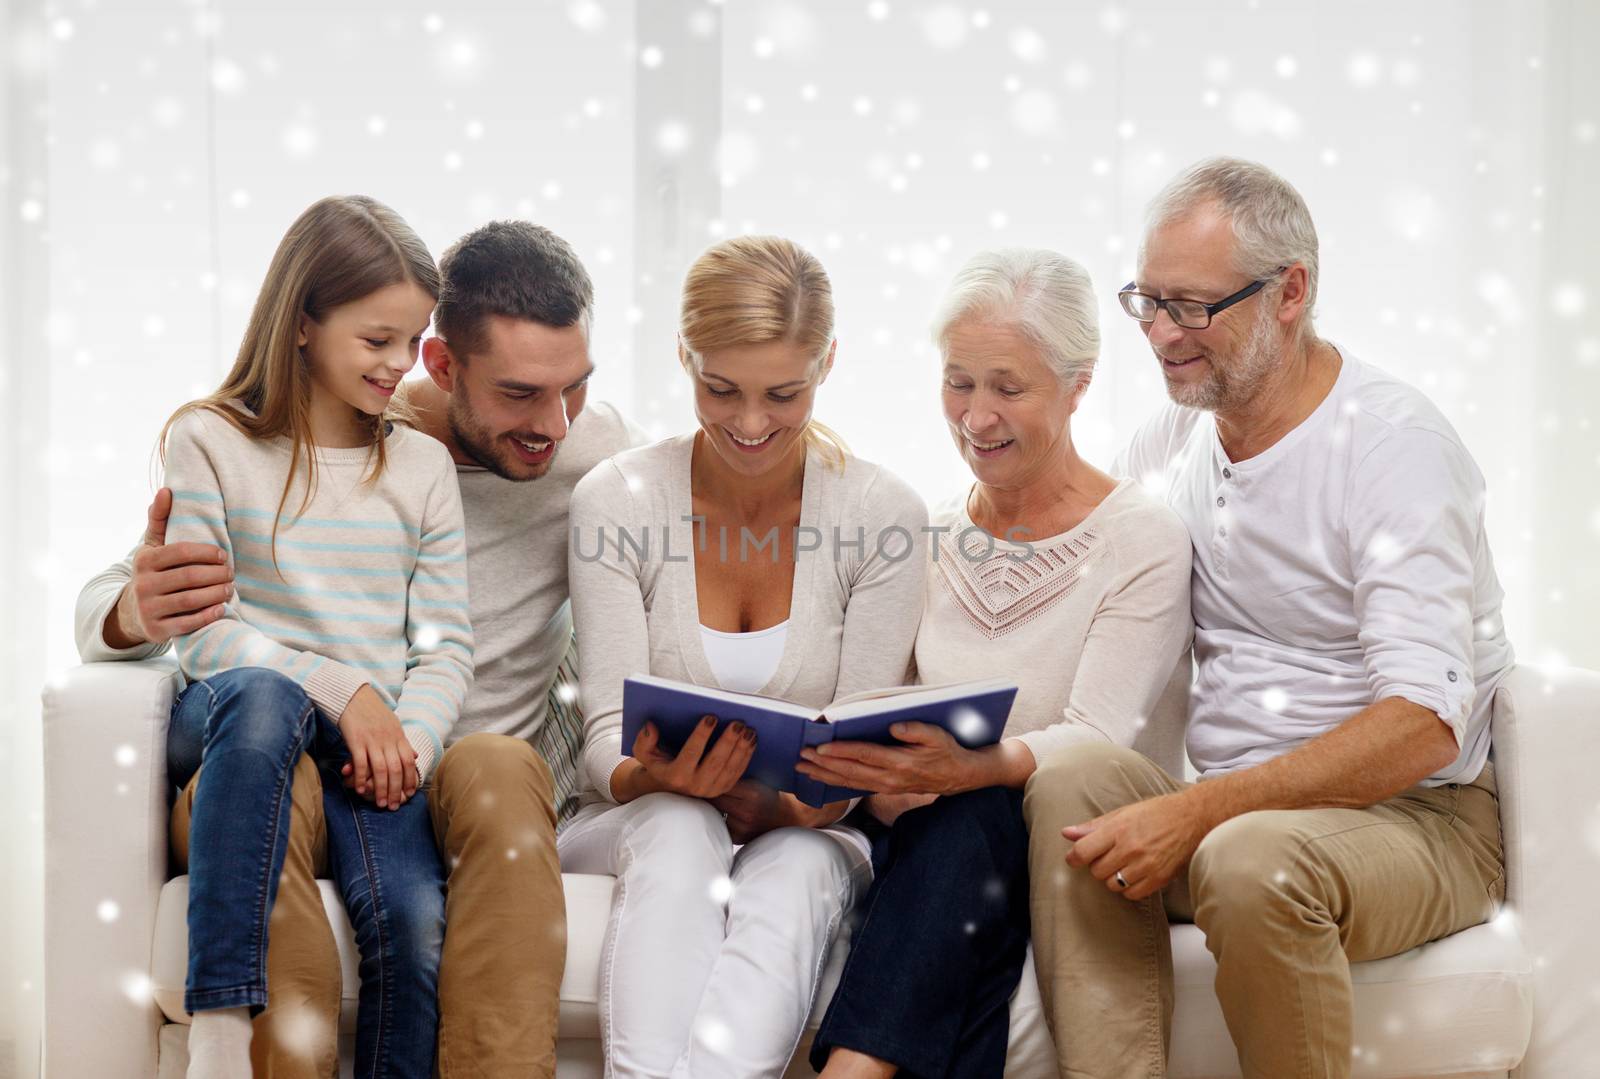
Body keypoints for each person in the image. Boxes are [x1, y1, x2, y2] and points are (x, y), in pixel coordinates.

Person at [74, 219, 642, 1077]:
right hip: (287, 752)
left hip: (442, 767)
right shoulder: (299, 435)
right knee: (282, 764)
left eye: (576, 389)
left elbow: (683, 547)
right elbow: (124, 603)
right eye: (522, 393)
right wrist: (132, 610)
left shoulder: (593, 457)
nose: (554, 424)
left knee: (495, 765)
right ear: (442, 366)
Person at [1024, 157, 1513, 1079]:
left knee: (1251, 859)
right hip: (1237, 807)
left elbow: (1423, 723)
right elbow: (1094, 609)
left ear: (1292, 293)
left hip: (1418, 818)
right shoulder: (1170, 443)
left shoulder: (1393, 449)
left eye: (1193, 307)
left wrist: (1201, 808)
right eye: (1149, 301)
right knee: (1069, 787)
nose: (1163, 335)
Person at [797, 249, 1194, 1079]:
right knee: (952, 830)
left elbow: (1094, 737)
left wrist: (962, 771)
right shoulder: (922, 534)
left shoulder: (1139, 538)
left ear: (1078, 383)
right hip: (919, 836)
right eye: (958, 383)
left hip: (1059, 840)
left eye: (1008, 388)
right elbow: (881, 698)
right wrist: (871, 770)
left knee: (970, 819)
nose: (976, 417)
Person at [561, 235, 929, 1079]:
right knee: (679, 822)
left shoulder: (881, 513)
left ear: (827, 362)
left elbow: (864, 741)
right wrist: (665, 778)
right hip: (637, 815)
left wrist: (809, 809)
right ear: (683, 355)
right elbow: (603, 736)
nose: (751, 423)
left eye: (784, 393)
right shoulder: (617, 498)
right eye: (719, 389)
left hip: (805, 828)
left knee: (800, 865)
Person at [152, 194, 470, 1079]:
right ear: (301, 322)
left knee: (409, 929)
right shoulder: (209, 439)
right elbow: (204, 633)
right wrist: (343, 688)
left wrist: (405, 742)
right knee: (263, 696)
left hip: (371, 750)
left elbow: (445, 646)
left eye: (412, 341)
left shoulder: (421, 466)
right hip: (239, 721)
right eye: (377, 340)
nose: (399, 364)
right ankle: (220, 1031)